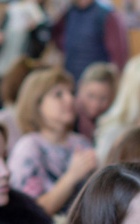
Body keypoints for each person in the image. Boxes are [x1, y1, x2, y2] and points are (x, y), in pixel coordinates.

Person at [7, 66, 100, 215]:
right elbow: (29, 212)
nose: (69, 99)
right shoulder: (29, 147)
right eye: (58, 94)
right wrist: (71, 176)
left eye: (71, 93)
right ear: (37, 104)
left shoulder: (81, 142)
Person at [52, 0, 126, 81]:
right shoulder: (70, 11)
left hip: (96, 81)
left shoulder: (106, 13)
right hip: (72, 77)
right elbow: (56, 35)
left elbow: (118, 54)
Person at [0, 0, 48, 78]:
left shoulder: (42, 18)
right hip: (3, 66)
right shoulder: (12, 10)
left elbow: (39, 50)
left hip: (24, 70)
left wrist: (34, 30)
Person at [73, 63, 117, 139]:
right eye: (91, 95)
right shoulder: (70, 117)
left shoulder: (112, 120)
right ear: (80, 86)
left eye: (103, 98)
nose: (95, 105)